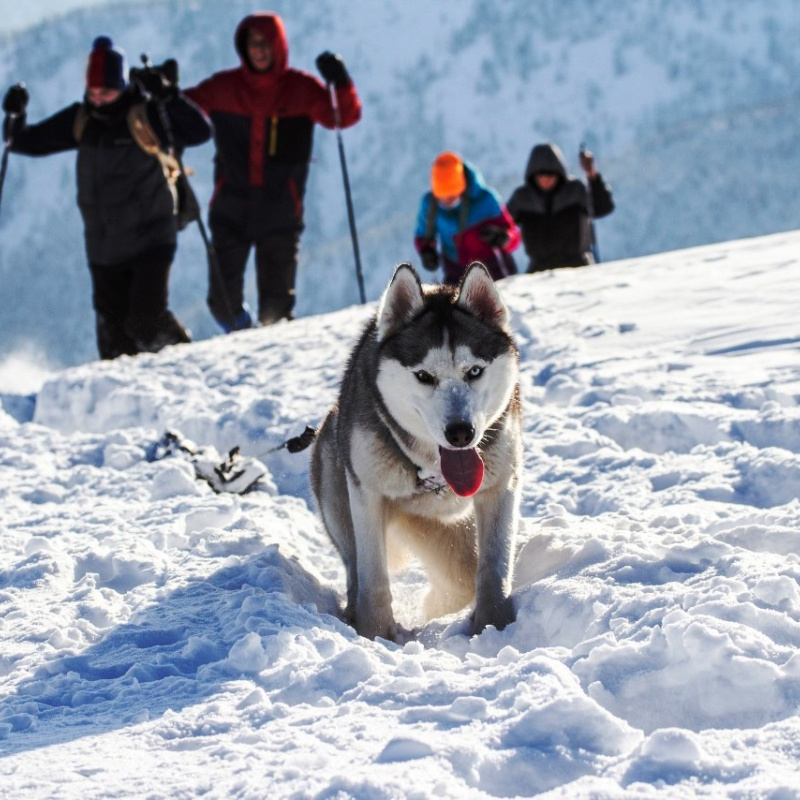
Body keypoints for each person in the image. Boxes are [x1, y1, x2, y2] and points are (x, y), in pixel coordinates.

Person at [2, 36, 211, 360]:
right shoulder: (82, 119)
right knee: (114, 346)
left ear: (123, 84)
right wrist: (15, 116)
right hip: (104, 248)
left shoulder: (145, 114)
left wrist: (168, 95)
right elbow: (25, 142)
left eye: (107, 92)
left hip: (151, 237)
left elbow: (200, 131)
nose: (99, 100)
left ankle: (193, 370)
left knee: (147, 323)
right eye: (93, 92)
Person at [184, 12, 362, 332]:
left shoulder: (302, 89)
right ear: (243, 47)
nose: (259, 50)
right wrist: (162, 92)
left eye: (265, 43)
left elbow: (342, 117)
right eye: (252, 43)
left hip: (280, 211)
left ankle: (266, 355)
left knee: (276, 310)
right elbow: (182, 113)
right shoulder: (223, 87)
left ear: (278, 45)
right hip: (230, 208)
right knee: (222, 302)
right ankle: (245, 336)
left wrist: (340, 82)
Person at [413, 151, 520, 285]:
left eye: (451, 196)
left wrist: (503, 238)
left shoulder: (486, 200)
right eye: (441, 196)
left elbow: (514, 235)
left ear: (461, 188)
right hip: (455, 273)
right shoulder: (430, 205)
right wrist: (426, 252)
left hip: (494, 272)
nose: (446, 201)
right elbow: (422, 236)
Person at [507, 142, 614, 273]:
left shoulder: (576, 190)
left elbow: (602, 208)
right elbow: (505, 223)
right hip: (539, 269)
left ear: (558, 173)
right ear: (533, 175)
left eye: (550, 176)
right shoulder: (522, 198)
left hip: (578, 265)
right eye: (541, 176)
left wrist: (592, 174)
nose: (546, 180)